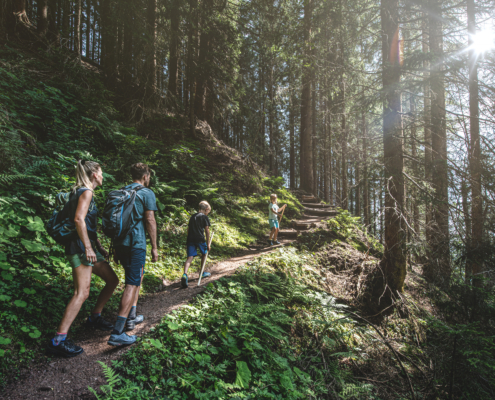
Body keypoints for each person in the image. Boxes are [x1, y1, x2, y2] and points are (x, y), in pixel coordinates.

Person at [47, 160, 119, 358]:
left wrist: (98, 247)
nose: (103, 176)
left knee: (112, 280)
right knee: (82, 292)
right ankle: (58, 340)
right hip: (80, 248)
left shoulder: (82, 192)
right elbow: (79, 219)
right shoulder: (85, 192)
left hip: (86, 248)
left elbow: (87, 223)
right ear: (95, 174)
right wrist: (88, 247)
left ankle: (95, 316)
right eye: (102, 172)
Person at [108, 163, 158, 346]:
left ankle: (131, 316)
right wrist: (154, 247)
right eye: (149, 176)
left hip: (120, 244)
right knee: (132, 282)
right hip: (135, 243)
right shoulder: (146, 193)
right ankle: (117, 332)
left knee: (135, 276)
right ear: (145, 176)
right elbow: (150, 220)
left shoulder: (122, 192)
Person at [181, 201, 212, 289]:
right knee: (204, 253)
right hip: (200, 239)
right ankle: (202, 273)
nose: (207, 213)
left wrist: (187, 241)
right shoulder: (204, 217)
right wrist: (208, 243)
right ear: (206, 209)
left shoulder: (192, 216)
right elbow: (207, 230)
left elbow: (188, 229)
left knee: (189, 257)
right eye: (208, 212)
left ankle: (185, 274)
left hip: (190, 239)